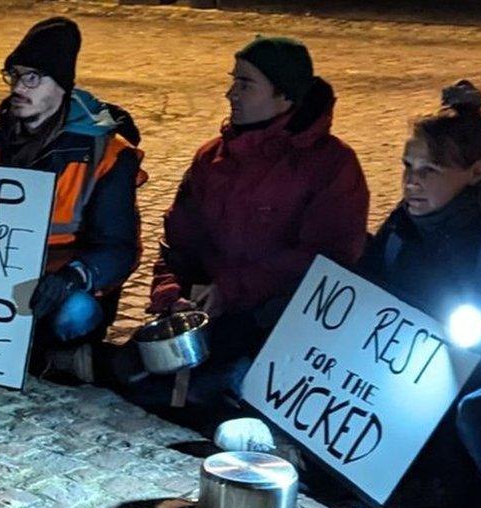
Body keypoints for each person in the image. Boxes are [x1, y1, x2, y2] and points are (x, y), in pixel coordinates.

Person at [125, 36, 369, 417]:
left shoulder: (332, 165)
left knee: (229, 385)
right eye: (232, 80)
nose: (230, 93)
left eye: (245, 83)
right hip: (213, 312)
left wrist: (233, 290)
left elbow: (327, 260)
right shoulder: (212, 157)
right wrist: (171, 292)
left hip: (275, 320)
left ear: (284, 96)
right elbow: (179, 242)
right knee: (137, 374)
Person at [356, 80, 481, 508]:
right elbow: (364, 286)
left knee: (474, 412)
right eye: (407, 167)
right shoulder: (401, 225)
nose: (411, 181)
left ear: (476, 173)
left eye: (430, 170)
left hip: (468, 384)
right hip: (402, 378)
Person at [0, 16, 146, 383]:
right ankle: (38, 355)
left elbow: (119, 248)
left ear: (62, 86)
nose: (19, 87)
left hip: (66, 282)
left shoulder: (108, 154)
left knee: (75, 313)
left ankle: (41, 351)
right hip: (4, 278)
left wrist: (73, 275)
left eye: (32, 77)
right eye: (15, 75)